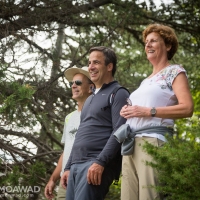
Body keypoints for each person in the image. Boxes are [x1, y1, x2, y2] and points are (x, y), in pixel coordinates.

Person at [116, 24, 194, 200]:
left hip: (152, 142)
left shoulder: (174, 71)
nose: (148, 45)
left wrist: (147, 111)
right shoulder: (146, 81)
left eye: (153, 41)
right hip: (130, 145)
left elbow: (187, 108)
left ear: (167, 46)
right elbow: (142, 108)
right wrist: (128, 111)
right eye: (146, 42)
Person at [61, 46, 130, 200]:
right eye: (89, 62)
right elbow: (80, 134)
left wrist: (100, 162)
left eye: (96, 62)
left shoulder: (118, 93)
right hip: (75, 167)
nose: (90, 67)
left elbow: (119, 131)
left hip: (95, 165)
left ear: (109, 66)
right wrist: (67, 167)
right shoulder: (90, 99)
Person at [44, 66, 94, 200]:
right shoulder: (69, 117)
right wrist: (53, 179)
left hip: (85, 177)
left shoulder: (97, 114)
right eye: (72, 83)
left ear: (91, 87)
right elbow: (66, 152)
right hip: (65, 180)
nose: (73, 86)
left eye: (78, 83)